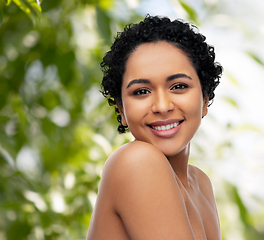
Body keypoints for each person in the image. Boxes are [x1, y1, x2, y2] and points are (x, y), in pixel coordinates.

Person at [87, 15, 223, 240]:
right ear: (121, 110)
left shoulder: (201, 185)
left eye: (178, 86)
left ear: (205, 100)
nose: (162, 106)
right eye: (141, 91)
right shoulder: (138, 161)